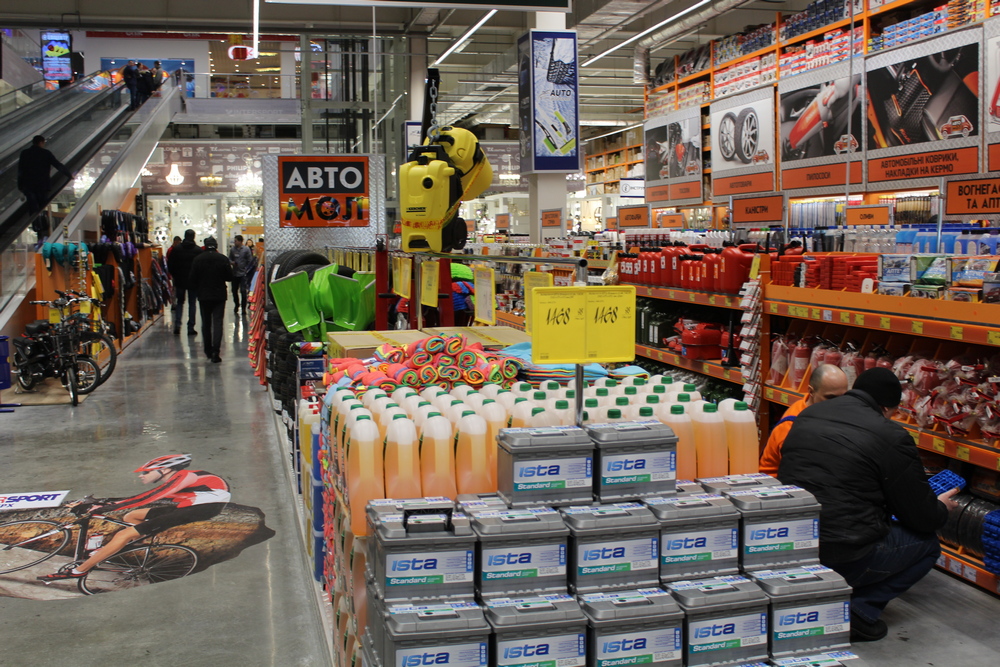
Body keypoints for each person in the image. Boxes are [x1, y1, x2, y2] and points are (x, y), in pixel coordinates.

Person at [778, 367, 960, 642]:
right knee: (927, 545)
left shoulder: (807, 414)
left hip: (790, 547)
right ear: (886, 408)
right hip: (842, 553)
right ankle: (857, 612)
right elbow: (922, 517)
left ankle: (826, 597)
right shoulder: (890, 435)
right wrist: (940, 508)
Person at [38, 454, 230, 583]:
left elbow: (148, 497)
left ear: (164, 470)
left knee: (123, 534)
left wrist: (105, 507)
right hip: (191, 505)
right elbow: (139, 499)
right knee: (132, 515)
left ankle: (79, 571)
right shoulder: (176, 478)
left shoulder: (185, 476)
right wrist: (102, 502)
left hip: (202, 508)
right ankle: (131, 548)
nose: (142, 476)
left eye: (147, 472)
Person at [759, 364, 848, 475]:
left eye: (843, 397)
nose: (838, 404)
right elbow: (798, 469)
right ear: (811, 391)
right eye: (830, 398)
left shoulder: (824, 411)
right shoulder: (791, 426)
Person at [18, 135, 73, 243]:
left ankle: (37, 231)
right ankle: (44, 233)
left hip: (28, 186)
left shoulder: (24, 153)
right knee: (42, 207)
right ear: (41, 142)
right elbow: (57, 164)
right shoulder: (46, 153)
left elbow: (20, 170)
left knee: (33, 209)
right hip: (42, 186)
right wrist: (69, 174)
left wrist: (20, 186)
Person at [188, 236, 234, 363]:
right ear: (216, 246)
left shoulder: (198, 259)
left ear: (204, 245)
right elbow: (230, 277)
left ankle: (207, 350)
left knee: (206, 323)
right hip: (219, 295)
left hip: (204, 295)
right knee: (218, 323)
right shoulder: (223, 259)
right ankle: (216, 352)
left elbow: (192, 279)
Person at [167, 229, 202, 335]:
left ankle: (177, 325)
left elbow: (170, 264)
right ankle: (191, 327)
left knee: (179, 302)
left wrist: (175, 275)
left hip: (180, 280)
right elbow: (200, 267)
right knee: (192, 303)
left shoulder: (177, 249)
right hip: (193, 281)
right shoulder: (198, 250)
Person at [228, 234, 254, 314]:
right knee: (234, 291)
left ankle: (243, 308)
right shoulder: (232, 249)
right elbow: (229, 258)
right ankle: (236, 304)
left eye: (236, 241)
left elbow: (250, 260)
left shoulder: (246, 249)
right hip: (235, 274)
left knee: (243, 291)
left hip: (243, 274)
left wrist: (247, 269)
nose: (234, 242)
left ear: (240, 241)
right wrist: (232, 262)